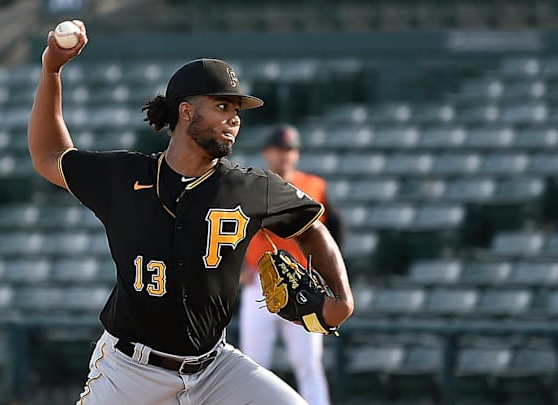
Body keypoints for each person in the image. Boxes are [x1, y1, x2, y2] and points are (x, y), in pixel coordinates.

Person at [28, 20, 354, 405]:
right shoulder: (124, 177)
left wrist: (342, 297)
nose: (234, 117)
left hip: (215, 369)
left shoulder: (251, 187)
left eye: (236, 109)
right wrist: (51, 69)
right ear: (185, 111)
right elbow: (49, 156)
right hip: (130, 372)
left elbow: (310, 226)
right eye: (221, 105)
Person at [240, 124, 345, 405]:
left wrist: (325, 275)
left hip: (303, 290)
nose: (284, 156)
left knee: (309, 365)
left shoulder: (314, 186)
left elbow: (335, 231)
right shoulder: (252, 187)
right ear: (266, 153)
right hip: (259, 289)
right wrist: (239, 271)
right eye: (279, 149)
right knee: (252, 364)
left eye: (290, 149)